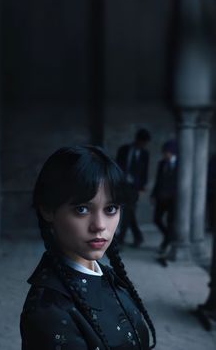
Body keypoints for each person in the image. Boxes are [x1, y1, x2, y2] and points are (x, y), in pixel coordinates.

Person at [20, 145, 156, 349]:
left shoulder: (108, 277)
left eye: (111, 209)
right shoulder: (48, 313)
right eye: (82, 209)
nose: (100, 225)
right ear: (48, 209)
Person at [116, 129, 151, 247]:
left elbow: (145, 171)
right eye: (142, 142)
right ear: (138, 140)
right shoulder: (124, 150)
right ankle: (138, 236)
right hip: (122, 184)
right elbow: (117, 165)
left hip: (134, 188)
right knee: (128, 211)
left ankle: (120, 240)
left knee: (127, 211)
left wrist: (142, 187)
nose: (143, 145)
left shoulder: (145, 154)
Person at [151, 140, 177, 253]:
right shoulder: (162, 163)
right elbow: (158, 180)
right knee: (156, 219)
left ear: (172, 153)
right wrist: (153, 194)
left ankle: (165, 243)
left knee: (171, 222)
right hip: (161, 197)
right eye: (164, 152)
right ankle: (169, 236)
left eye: (166, 152)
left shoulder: (180, 164)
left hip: (173, 200)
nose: (165, 155)